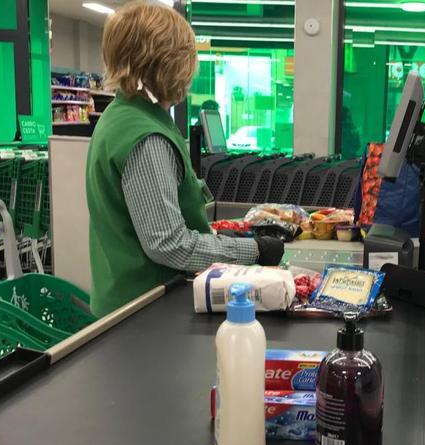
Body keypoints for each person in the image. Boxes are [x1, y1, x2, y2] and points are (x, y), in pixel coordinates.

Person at [86, 1, 284, 317]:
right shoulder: (144, 136)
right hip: (145, 314)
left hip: (131, 306)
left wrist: (222, 239)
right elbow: (169, 244)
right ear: (167, 64)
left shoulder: (125, 115)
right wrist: (254, 250)